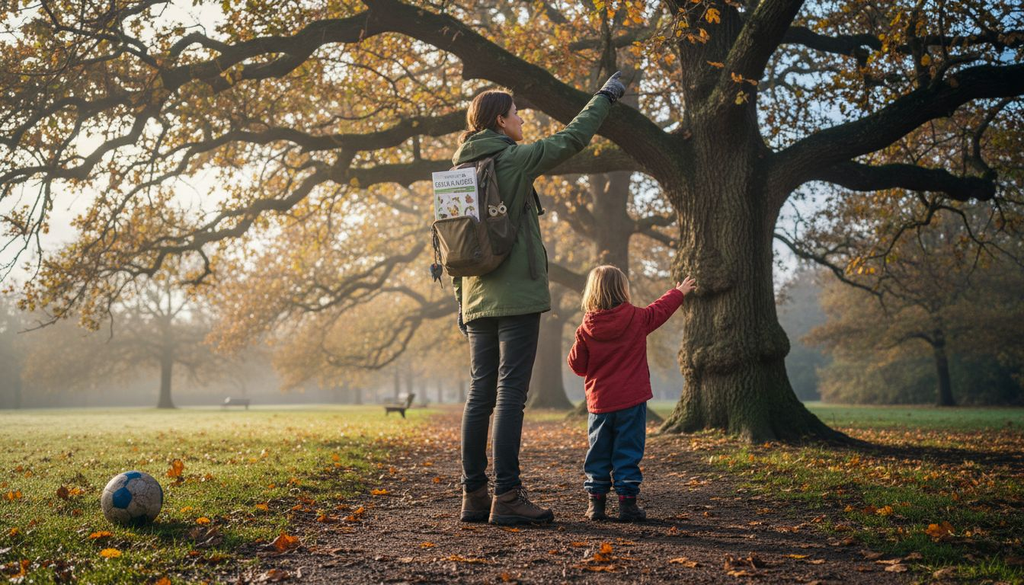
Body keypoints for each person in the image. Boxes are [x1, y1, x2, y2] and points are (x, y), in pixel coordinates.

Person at [454, 72, 628, 526]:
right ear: (499, 120)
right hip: (516, 298)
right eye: (516, 114)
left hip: (475, 300)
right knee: (511, 394)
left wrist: (462, 303)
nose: (522, 120)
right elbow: (572, 139)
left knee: (480, 395)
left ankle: (474, 495)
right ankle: (507, 497)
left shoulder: (456, 173)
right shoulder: (512, 160)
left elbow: (449, 248)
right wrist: (605, 97)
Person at [567, 266, 697, 522]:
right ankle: (627, 505)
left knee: (599, 451)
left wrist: (582, 344)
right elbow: (660, 309)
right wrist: (679, 292)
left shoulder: (585, 329)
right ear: (622, 289)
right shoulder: (637, 318)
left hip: (599, 402)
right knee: (628, 450)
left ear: (591, 293)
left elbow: (577, 366)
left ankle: (596, 505)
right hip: (631, 401)